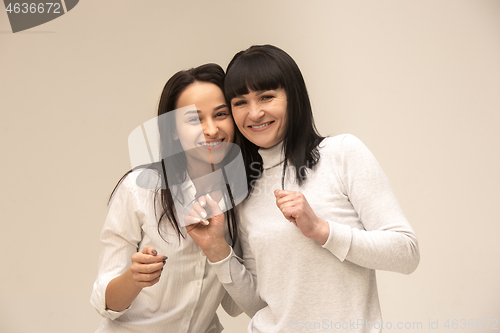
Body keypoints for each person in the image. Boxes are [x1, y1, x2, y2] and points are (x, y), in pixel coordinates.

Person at [186, 45, 420, 333]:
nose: (255, 113)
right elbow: (258, 305)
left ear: (293, 97)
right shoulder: (244, 188)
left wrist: (322, 230)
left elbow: (406, 253)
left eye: (267, 97)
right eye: (240, 102)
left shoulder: (342, 153)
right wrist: (217, 248)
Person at [90, 63, 242, 333]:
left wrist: (220, 247)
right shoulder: (139, 189)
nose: (211, 129)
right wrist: (134, 278)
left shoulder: (243, 195)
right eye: (194, 119)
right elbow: (105, 303)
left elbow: (234, 305)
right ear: (172, 130)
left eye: (221, 114)